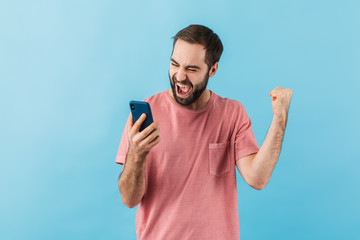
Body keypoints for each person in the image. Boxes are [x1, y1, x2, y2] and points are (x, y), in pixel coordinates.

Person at [115, 24, 293, 240]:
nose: (180, 76)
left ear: (213, 69)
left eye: (191, 69)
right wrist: (136, 153)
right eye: (174, 64)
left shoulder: (232, 113)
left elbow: (258, 178)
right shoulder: (146, 114)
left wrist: (280, 118)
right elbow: (129, 199)